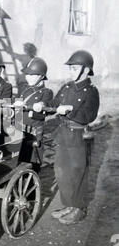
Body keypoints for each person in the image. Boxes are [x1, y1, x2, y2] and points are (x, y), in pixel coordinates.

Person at [35, 50, 100, 225]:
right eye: (70, 68)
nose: (71, 71)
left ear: (86, 70)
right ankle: (68, 205)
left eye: (74, 68)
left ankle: (79, 209)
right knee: (61, 171)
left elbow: (89, 115)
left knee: (77, 172)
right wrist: (44, 104)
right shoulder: (67, 87)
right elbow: (55, 103)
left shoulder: (91, 91)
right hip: (63, 133)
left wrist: (70, 111)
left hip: (79, 135)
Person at [16, 57, 53, 167]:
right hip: (20, 129)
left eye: (32, 75)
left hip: (33, 133)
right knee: (19, 159)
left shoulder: (46, 92)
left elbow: (48, 106)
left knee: (32, 160)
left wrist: (41, 105)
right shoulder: (25, 89)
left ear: (41, 76)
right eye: (27, 74)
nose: (28, 77)